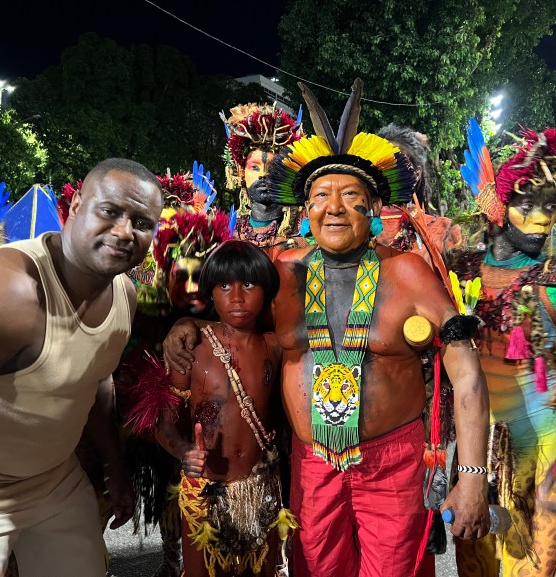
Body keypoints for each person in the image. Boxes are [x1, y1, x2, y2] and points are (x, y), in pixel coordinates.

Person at [167, 79, 490, 577]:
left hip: (393, 467)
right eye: (321, 195)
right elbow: (232, 322)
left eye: (350, 195)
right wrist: (188, 323)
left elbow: (466, 374)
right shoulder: (279, 269)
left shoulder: (408, 273)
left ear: (373, 206)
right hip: (313, 468)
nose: (334, 207)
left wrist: (471, 477)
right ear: (305, 206)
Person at [0, 157, 164, 577]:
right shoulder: (8, 293)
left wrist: (115, 470)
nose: (124, 232)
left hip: (52, 483)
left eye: (142, 222)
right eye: (110, 212)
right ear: (76, 205)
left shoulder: (125, 294)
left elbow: (96, 379)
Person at [451, 121, 556, 576]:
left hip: (546, 453)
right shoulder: (458, 273)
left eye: (552, 206)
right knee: (473, 570)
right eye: (527, 203)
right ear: (498, 203)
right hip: (475, 451)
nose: (542, 218)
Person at [139, 239, 293, 577]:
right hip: (205, 492)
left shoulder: (275, 347)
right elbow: (162, 423)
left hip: (262, 490)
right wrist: (183, 452)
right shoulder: (189, 350)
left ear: (266, 292)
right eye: (224, 286)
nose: (236, 297)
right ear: (211, 294)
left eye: (249, 285)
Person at [117, 164, 233, 577]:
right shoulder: (143, 305)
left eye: (199, 275)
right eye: (179, 274)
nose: (190, 285)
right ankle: (173, 559)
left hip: (222, 433)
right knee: (171, 491)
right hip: (161, 427)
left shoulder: (233, 307)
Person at [221, 103, 307, 260]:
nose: (264, 174)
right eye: (254, 167)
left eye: (273, 168)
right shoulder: (227, 232)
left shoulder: (306, 230)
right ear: (241, 172)